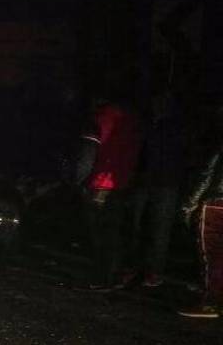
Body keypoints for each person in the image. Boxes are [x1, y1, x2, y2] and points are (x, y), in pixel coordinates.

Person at [79, 96, 143, 290]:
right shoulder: (132, 121)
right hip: (121, 182)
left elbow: (87, 154)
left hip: (100, 183)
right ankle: (114, 276)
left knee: (100, 234)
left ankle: (101, 277)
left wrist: (79, 180)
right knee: (113, 232)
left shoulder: (99, 119)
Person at [125, 93, 187, 287]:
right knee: (136, 225)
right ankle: (135, 267)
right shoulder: (147, 125)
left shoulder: (175, 129)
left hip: (165, 184)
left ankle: (152, 270)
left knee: (158, 229)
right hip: (146, 182)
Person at [180, 109, 223, 318]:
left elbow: (207, 173)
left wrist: (191, 203)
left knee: (212, 256)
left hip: (217, 204)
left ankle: (210, 303)